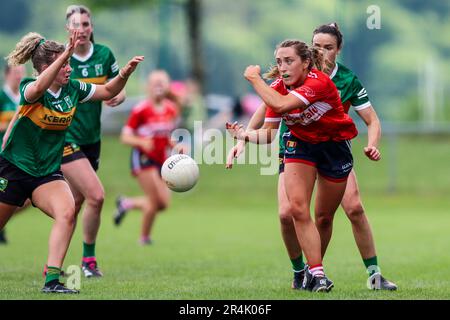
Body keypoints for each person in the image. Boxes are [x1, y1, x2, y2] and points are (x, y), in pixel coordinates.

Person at [227, 23, 397, 290]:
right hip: (299, 144)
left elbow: (371, 120)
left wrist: (255, 79)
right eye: (279, 62)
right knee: (291, 211)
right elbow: (270, 117)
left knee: (334, 214)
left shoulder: (325, 81)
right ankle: (311, 273)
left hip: (334, 147)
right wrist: (244, 137)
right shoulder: (282, 84)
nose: (322, 52)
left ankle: (366, 274)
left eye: (328, 47)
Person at [0, 30, 143, 293]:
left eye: (68, 62)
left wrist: (124, 73)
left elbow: (109, 90)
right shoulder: (29, 89)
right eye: (64, 64)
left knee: (67, 213)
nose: (69, 68)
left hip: (46, 173)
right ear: (46, 68)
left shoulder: (73, 89)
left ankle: (52, 281)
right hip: (13, 169)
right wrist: (65, 53)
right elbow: (39, 87)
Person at [60, 5, 126, 278]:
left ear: (92, 27)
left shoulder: (104, 54)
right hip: (66, 137)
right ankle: (88, 261)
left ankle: (54, 263)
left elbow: (117, 90)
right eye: (76, 25)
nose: (82, 30)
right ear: (68, 29)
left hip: (92, 139)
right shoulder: (61, 60)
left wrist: (116, 97)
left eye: (86, 24)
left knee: (75, 204)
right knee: (96, 197)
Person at [113, 70, 184, 245]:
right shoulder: (141, 110)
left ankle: (126, 204)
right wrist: (142, 142)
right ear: (148, 87)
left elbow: (165, 135)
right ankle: (144, 238)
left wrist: (175, 145)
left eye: (162, 83)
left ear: (167, 86)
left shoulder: (170, 108)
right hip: (143, 158)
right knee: (154, 200)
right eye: (155, 83)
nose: (158, 86)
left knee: (163, 204)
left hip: (162, 160)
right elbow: (125, 137)